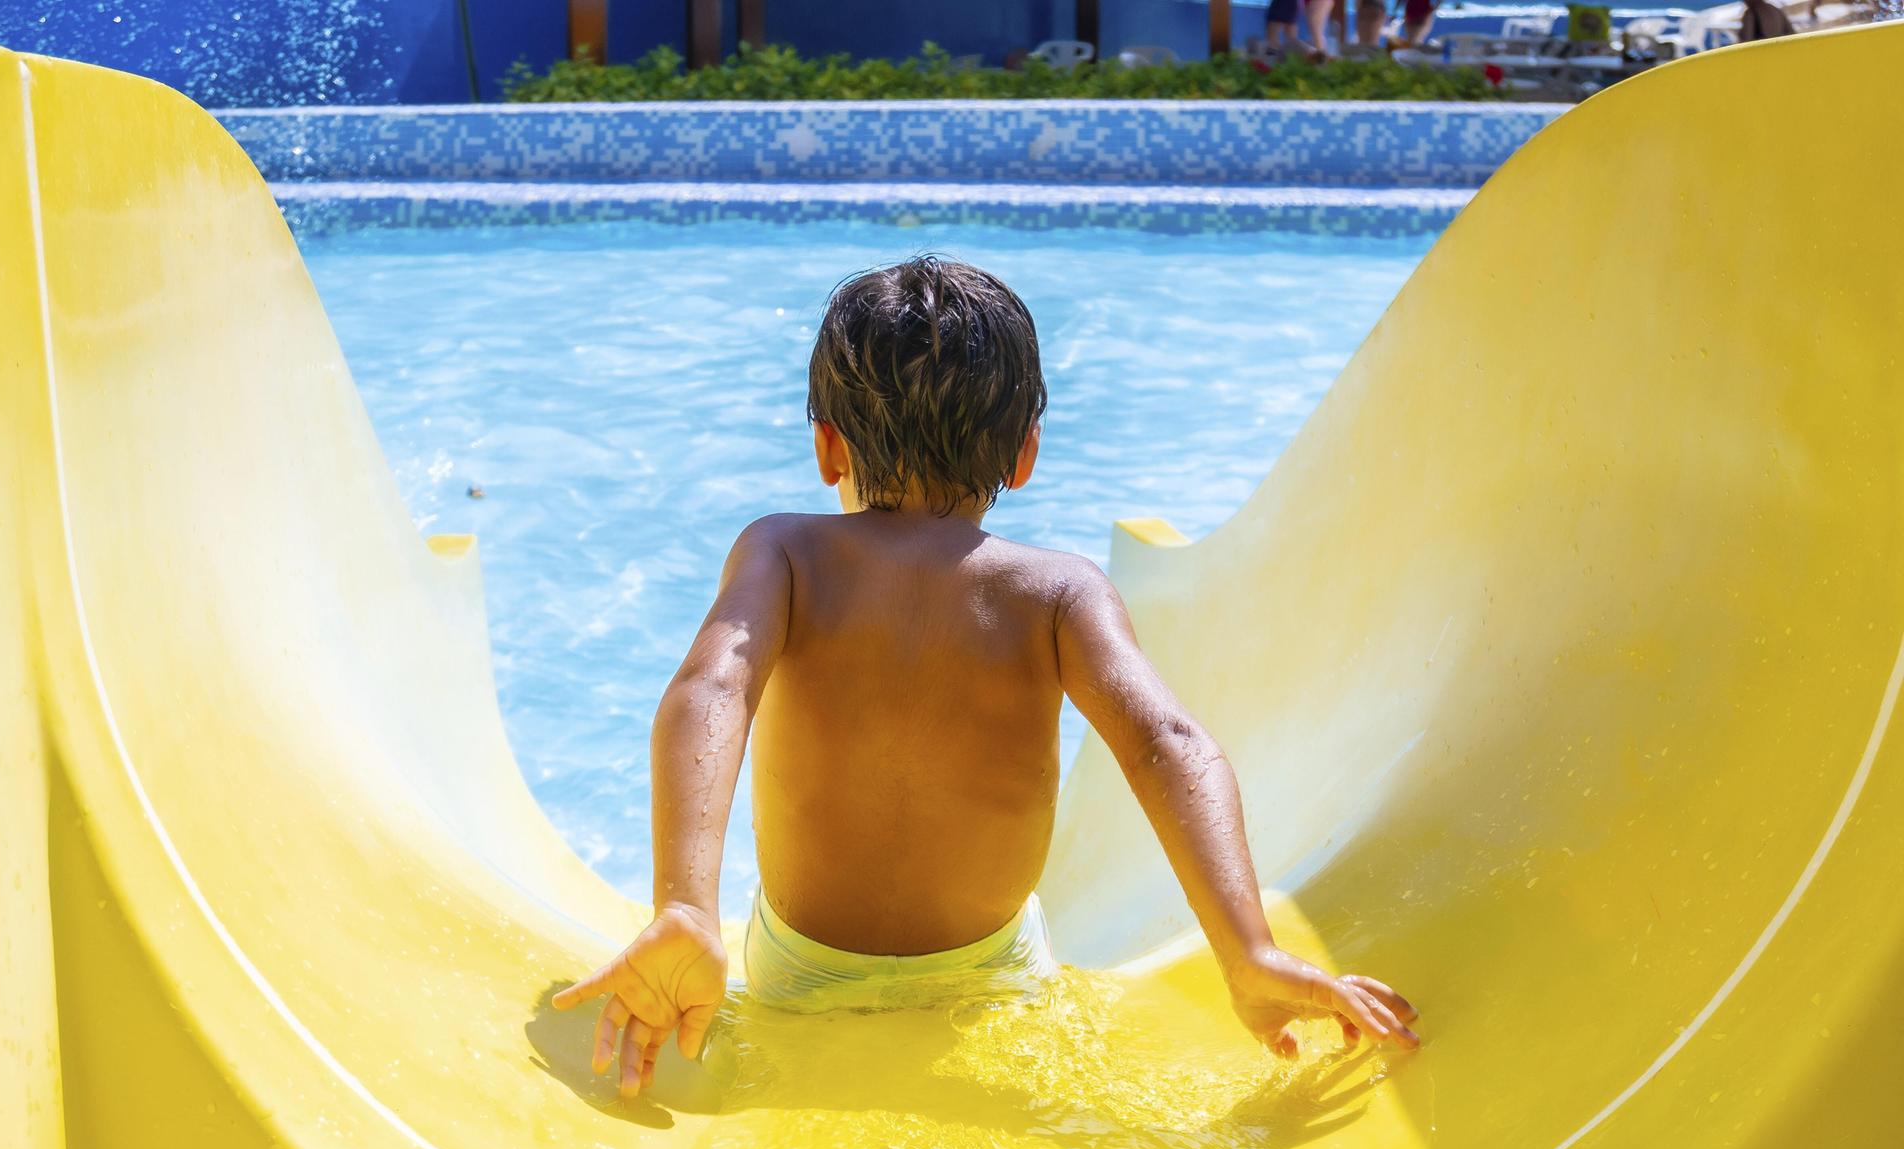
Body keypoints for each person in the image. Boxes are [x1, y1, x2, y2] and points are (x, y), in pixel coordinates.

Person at [554, 258, 1421, 1097]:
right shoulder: (1056, 591)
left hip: (803, 969)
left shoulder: (784, 552)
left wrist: (687, 908)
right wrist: (1248, 951)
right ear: (1025, 455)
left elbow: (713, 689)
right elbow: (1167, 744)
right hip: (994, 970)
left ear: (826, 446)